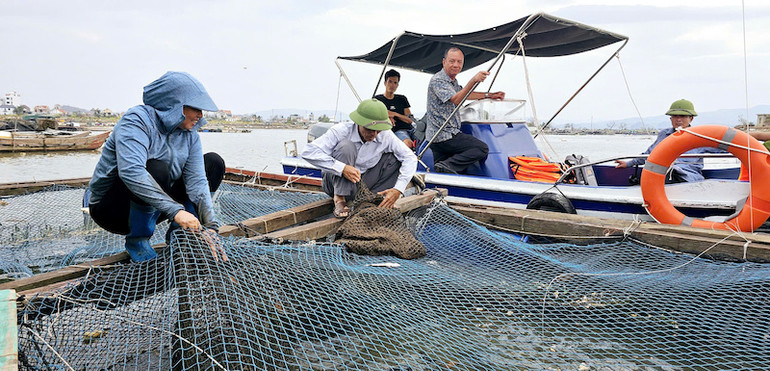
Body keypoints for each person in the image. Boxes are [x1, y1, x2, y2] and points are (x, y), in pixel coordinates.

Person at [86, 71, 226, 262]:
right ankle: (138, 241)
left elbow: (198, 181)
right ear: (174, 105)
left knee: (213, 163)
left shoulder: (190, 133)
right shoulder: (136, 120)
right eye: (195, 108)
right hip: (112, 209)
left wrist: (211, 226)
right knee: (156, 168)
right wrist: (176, 211)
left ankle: (182, 235)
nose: (200, 115)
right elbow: (131, 172)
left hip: (158, 207)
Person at [301, 98, 418, 218]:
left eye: (378, 130)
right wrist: (342, 168)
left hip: (362, 182)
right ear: (359, 123)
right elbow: (308, 152)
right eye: (370, 130)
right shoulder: (342, 131)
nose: (374, 134)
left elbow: (410, 158)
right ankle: (340, 199)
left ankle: (373, 199)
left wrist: (398, 190)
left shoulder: (386, 135)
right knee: (346, 147)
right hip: (335, 182)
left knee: (394, 159)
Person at [426, 47, 505, 174]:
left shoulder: (452, 82)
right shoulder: (438, 80)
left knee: (442, 175)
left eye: (459, 62)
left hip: (442, 136)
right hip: (443, 135)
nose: (456, 65)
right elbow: (456, 99)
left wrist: (489, 95)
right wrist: (473, 80)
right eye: (452, 61)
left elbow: (465, 94)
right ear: (444, 62)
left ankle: (445, 169)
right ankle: (447, 165)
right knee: (481, 148)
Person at [615, 99, 722, 183]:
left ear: (691, 118)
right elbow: (649, 154)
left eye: (683, 116)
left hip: (688, 179)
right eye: (675, 116)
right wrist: (628, 163)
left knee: (671, 172)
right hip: (662, 176)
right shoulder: (664, 135)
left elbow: (724, 149)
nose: (678, 119)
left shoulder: (700, 137)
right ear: (670, 119)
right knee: (656, 171)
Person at [374, 69, 415, 148]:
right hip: (396, 131)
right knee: (408, 144)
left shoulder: (402, 99)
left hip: (410, 129)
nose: (392, 85)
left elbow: (410, 120)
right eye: (390, 81)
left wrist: (394, 114)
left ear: (397, 85)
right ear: (385, 83)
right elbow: (374, 118)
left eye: (395, 82)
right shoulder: (377, 100)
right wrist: (387, 117)